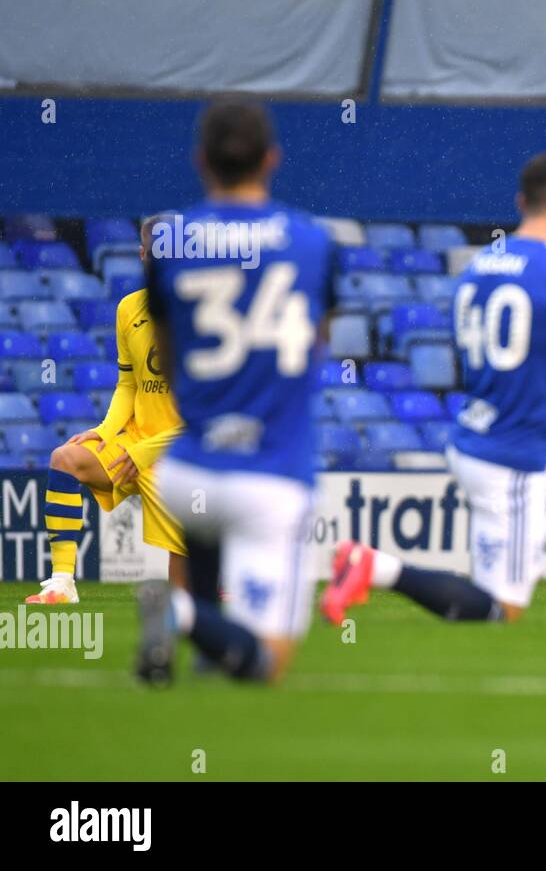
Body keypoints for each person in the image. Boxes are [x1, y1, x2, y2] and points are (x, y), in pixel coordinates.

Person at [322, 153, 546, 625]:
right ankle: (374, 566)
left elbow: (463, 364)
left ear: (522, 202)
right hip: (515, 458)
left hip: (477, 433)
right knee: (500, 611)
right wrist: (545, 415)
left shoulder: (480, 266)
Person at [135, 98, 334, 684]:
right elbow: (314, 343)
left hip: (189, 468)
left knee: (204, 535)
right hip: (271, 472)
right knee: (267, 663)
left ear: (200, 161)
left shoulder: (172, 243)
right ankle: (182, 611)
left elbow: (167, 352)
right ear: (273, 159)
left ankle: (196, 626)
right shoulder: (312, 240)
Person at [26, 216, 187, 604]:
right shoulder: (129, 309)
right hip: (132, 443)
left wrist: (145, 452)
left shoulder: (207, 315)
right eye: (157, 253)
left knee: (182, 598)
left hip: (181, 452)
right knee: (66, 458)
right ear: (143, 256)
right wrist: (107, 429)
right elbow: (129, 383)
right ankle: (63, 583)